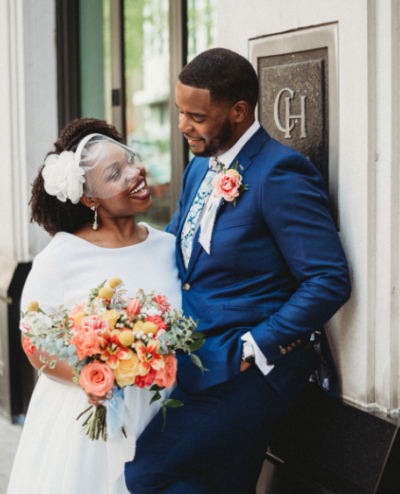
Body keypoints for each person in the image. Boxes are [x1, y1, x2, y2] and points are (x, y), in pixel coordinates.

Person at [125, 48, 351, 493]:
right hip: (199, 360)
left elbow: (328, 278)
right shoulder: (198, 168)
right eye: (180, 112)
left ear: (239, 111)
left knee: (146, 471)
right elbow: (178, 250)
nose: (183, 125)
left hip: (254, 372)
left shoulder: (279, 173)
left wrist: (255, 344)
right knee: (223, 482)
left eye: (196, 116)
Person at [7, 118, 181, 494]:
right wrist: (93, 378)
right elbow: (34, 343)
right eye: (116, 173)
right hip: (87, 421)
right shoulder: (61, 258)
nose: (136, 173)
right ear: (90, 199)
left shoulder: (169, 245)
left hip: (162, 412)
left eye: (131, 160)